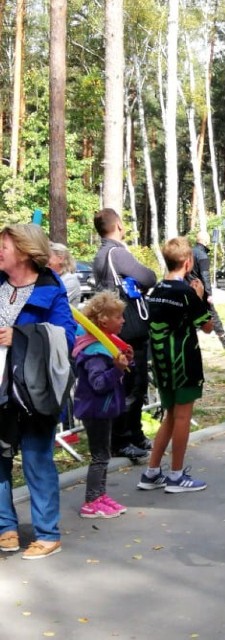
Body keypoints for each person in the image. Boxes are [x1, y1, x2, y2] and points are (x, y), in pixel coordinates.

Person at [0, 223, 76, 559]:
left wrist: (22, 336)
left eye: (4, 245)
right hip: (1, 386)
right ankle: (6, 528)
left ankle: (48, 533)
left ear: (25, 251)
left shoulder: (50, 287)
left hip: (35, 389)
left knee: (36, 458)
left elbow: (67, 336)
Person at [137, 237, 213, 494]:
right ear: (188, 261)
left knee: (170, 415)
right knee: (182, 417)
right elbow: (207, 326)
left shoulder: (156, 291)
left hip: (160, 363)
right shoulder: (186, 293)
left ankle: (152, 471)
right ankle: (176, 475)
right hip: (183, 361)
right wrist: (200, 297)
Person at [92, 207, 157, 462]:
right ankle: (122, 439)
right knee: (133, 384)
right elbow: (149, 277)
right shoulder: (117, 253)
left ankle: (134, 434)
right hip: (128, 326)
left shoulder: (100, 254)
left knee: (132, 384)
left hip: (116, 325)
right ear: (118, 225)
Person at [73, 292, 131, 518]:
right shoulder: (95, 352)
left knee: (103, 455)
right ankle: (91, 501)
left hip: (102, 409)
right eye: (119, 317)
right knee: (99, 456)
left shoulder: (105, 345)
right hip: (95, 410)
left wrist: (124, 361)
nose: (123, 320)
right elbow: (98, 383)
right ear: (104, 320)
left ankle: (100, 495)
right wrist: (116, 369)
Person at [190, 230, 225, 349]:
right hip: (200, 290)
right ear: (206, 241)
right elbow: (205, 276)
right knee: (212, 313)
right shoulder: (202, 256)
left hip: (190, 288)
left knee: (192, 314)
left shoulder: (190, 253)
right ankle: (224, 339)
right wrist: (208, 294)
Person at [48, 242, 81, 307]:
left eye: (49, 257)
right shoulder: (51, 278)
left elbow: (53, 305)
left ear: (60, 259)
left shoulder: (70, 280)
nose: (45, 261)